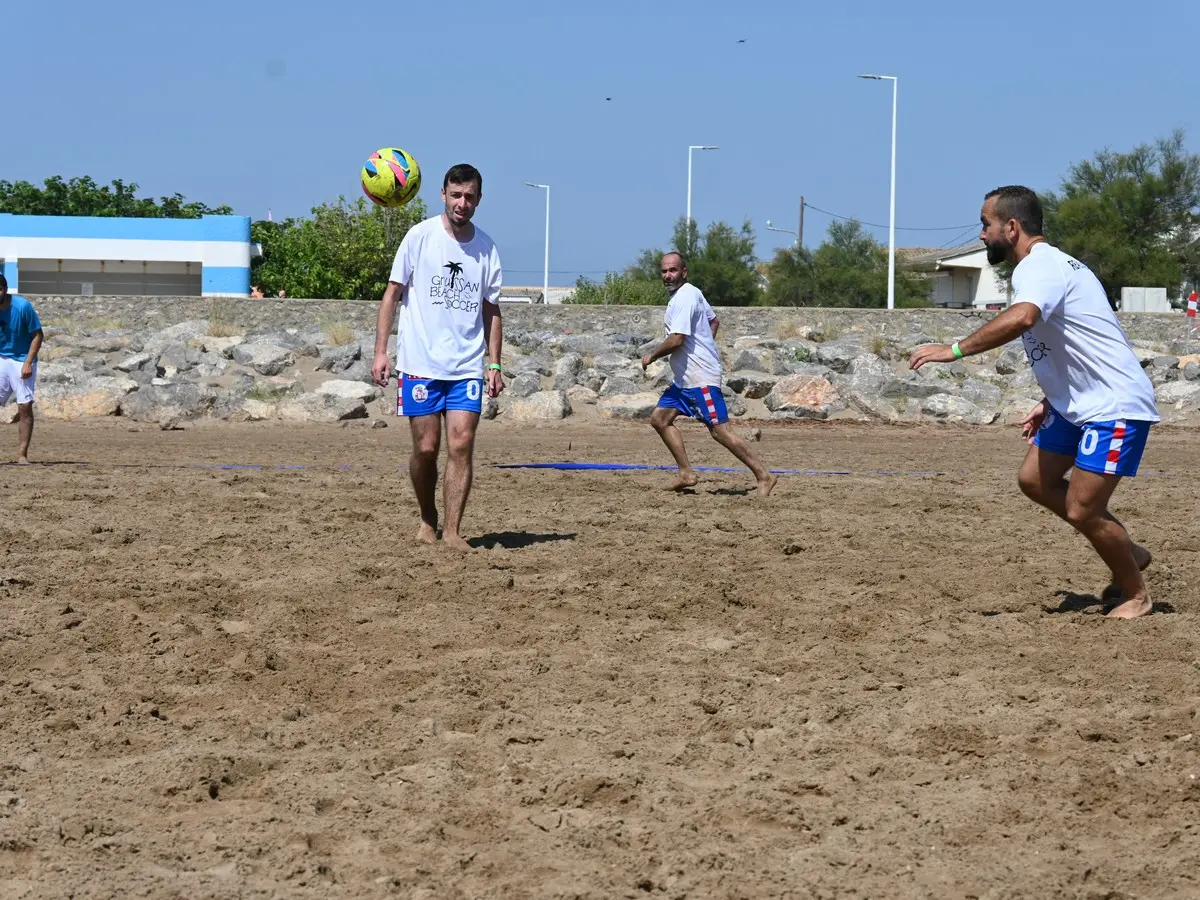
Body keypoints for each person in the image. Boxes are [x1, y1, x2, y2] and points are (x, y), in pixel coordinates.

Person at [910, 185, 1160, 619]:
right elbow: (1075, 341)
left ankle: (1137, 595)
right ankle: (1129, 552)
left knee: (1082, 508)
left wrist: (952, 350)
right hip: (1076, 405)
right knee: (1034, 480)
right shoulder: (1046, 267)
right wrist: (1050, 400)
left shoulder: (1038, 266)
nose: (982, 235)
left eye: (986, 225)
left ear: (1011, 227)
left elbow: (1024, 318)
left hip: (1115, 407)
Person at [372, 163, 504, 552]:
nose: (462, 203)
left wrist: (494, 362)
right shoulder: (419, 237)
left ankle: (452, 531)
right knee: (426, 449)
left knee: (461, 444)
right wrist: (382, 352)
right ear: (443, 194)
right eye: (456, 195)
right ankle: (427, 518)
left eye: (470, 197)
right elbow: (392, 295)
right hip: (419, 364)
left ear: (478, 200)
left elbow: (492, 310)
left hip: (466, 366)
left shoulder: (487, 248)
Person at [641, 252, 777, 497]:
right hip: (684, 380)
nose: (668, 276)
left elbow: (676, 339)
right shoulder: (693, 292)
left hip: (700, 379)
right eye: (664, 271)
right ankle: (686, 474)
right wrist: (703, 347)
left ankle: (763, 476)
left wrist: (651, 356)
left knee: (720, 432)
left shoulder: (684, 298)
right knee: (659, 419)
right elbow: (714, 322)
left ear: (684, 271)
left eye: (672, 270)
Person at [0, 274, 45, 465]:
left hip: (21, 359)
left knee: (24, 406)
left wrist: (28, 362)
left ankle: (22, 455)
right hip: (1, 358)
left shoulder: (22, 306)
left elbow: (38, 335)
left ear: (4, 289)